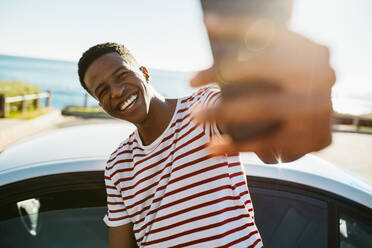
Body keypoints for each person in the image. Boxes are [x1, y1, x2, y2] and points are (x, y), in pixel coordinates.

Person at [78, 42, 265, 247]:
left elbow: (254, 123)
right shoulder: (117, 165)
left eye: (122, 75)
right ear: (100, 104)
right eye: (103, 91)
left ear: (145, 73)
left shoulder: (203, 109)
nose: (116, 92)